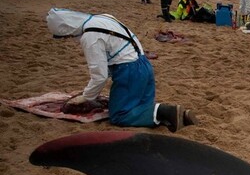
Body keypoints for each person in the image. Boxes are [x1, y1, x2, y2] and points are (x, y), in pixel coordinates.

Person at [46, 8, 196, 131]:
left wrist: (87, 97)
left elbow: (100, 76)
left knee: (119, 115)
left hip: (129, 72)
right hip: (144, 64)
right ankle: (178, 116)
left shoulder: (90, 37)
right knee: (142, 107)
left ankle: (166, 111)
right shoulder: (103, 17)